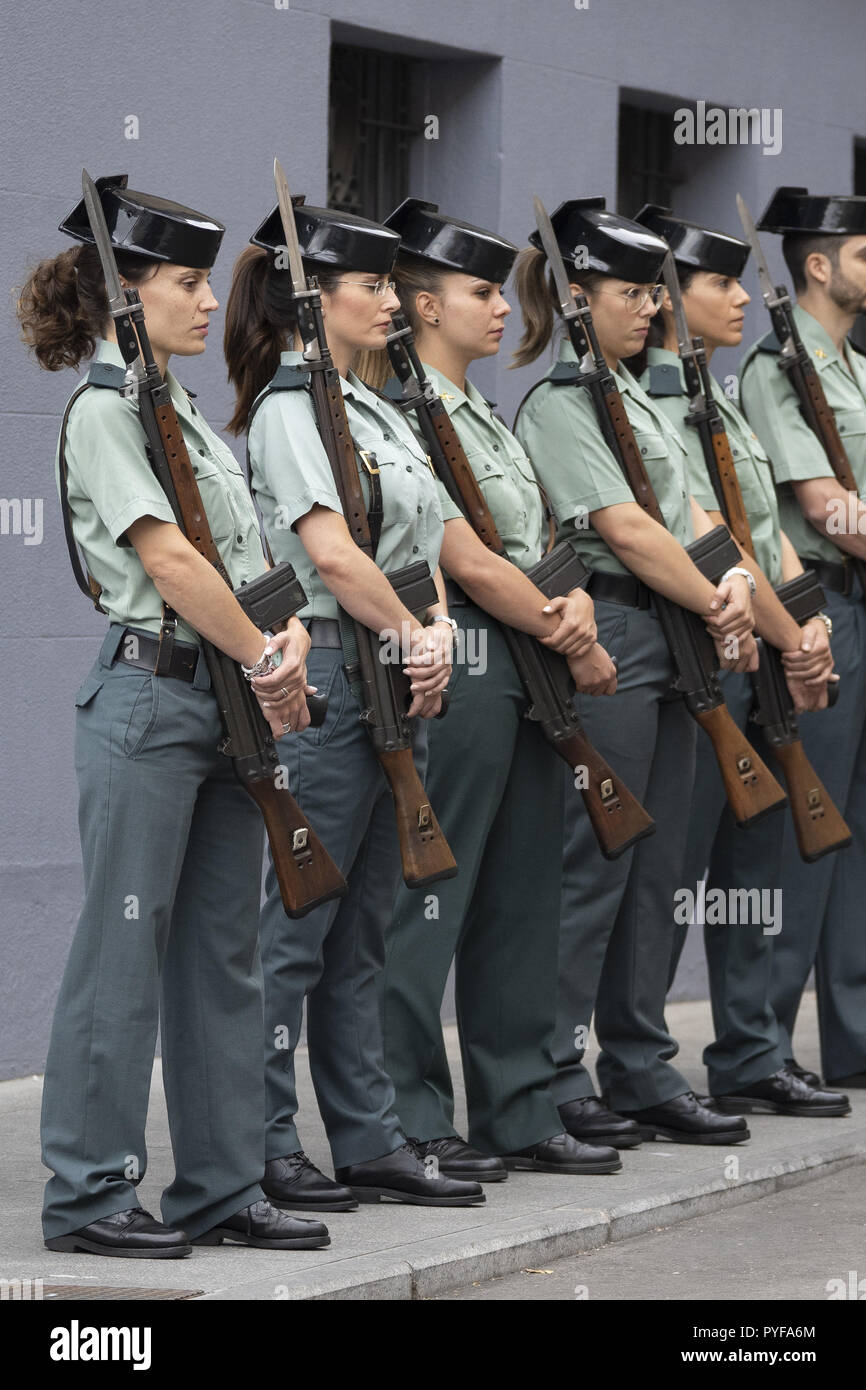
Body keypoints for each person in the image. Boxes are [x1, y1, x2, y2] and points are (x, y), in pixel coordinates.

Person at [19, 174, 329, 1256]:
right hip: (151, 698)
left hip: (227, 697)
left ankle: (222, 1183)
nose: (210, 303)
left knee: (221, 952)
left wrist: (283, 641)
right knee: (123, 945)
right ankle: (90, 1192)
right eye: (187, 283)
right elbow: (165, 559)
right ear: (125, 295)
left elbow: (242, 567)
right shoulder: (106, 409)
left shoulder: (181, 412)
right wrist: (265, 660)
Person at [224, 195, 484, 1208]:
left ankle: (368, 1135)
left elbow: (418, 544)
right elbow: (330, 553)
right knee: (299, 926)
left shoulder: (373, 407)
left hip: (397, 669)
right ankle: (260, 1140)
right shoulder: (295, 410)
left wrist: (438, 632)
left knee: (363, 926)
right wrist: (411, 633)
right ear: (312, 298)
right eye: (372, 284)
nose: (391, 299)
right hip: (335, 672)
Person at [366, 198, 622, 1177]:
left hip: (528, 657)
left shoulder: (486, 413)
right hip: (468, 657)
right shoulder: (400, 411)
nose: (501, 309)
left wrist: (575, 607)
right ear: (423, 306)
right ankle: (410, 1113)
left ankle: (517, 1106)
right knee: (434, 893)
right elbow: (462, 557)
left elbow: (539, 538)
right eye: (479, 291)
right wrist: (554, 619)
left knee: (525, 890)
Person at [512, 197, 756, 1144]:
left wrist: (731, 582)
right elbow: (623, 529)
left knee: (659, 869)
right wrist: (716, 597)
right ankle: (555, 1072)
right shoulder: (561, 404)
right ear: (576, 299)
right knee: (596, 863)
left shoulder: (636, 400)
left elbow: (691, 513)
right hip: (615, 631)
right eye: (628, 294)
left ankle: (642, 1065)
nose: (650, 309)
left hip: (678, 629)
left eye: (652, 293)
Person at [632, 204, 848, 1118]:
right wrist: (787, 633)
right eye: (718, 282)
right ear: (668, 299)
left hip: (766, 638)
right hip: (711, 639)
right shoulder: (643, 401)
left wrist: (806, 627)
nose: (738, 299)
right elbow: (715, 540)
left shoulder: (713, 396)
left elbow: (770, 535)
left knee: (768, 848)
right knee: (672, 870)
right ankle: (634, 1065)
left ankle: (753, 1050)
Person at [739, 186, 866, 1090]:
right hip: (824, 607)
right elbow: (827, 507)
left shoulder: (855, 368)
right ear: (817, 264)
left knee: (857, 834)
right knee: (806, 827)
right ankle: (763, 1046)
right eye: (863, 252)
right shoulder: (780, 370)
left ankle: (855, 1038)